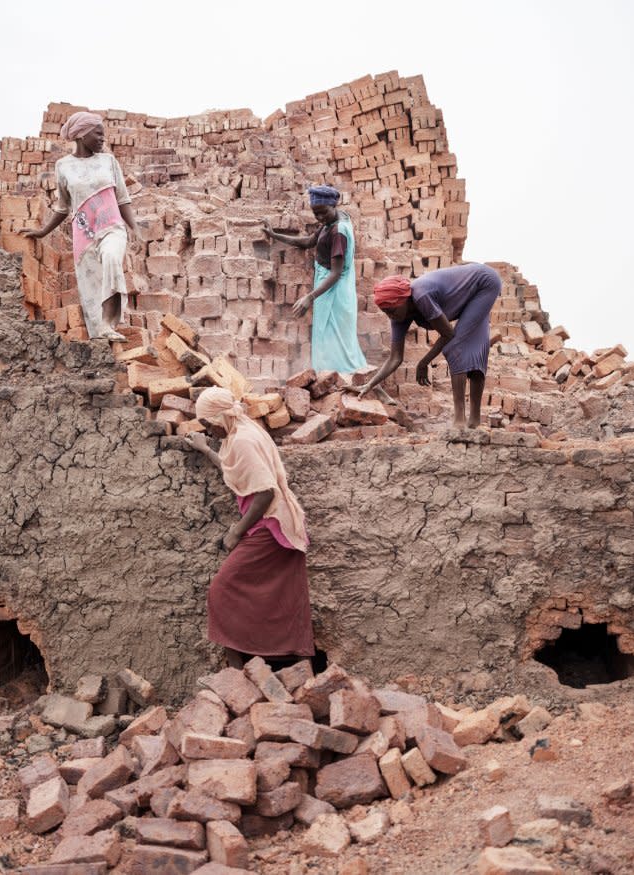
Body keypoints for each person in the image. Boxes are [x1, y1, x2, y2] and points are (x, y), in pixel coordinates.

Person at [184, 387, 315, 669]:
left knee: (222, 590)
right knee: (286, 597)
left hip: (272, 525)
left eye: (207, 424)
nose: (207, 430)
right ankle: (302, 668)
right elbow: (237, 469)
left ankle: (236, 671)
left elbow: (265, 490)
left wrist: (237, 531)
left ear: (221, 417)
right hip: (276, 523)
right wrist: (207, 450)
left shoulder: (242, 439)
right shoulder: (241, 431)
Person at [20, 111, 140, 341]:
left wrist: (135, 228)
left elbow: (123, 199)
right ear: (82, 135)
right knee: (90, 285)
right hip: (84, 234)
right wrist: (43, 231)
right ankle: (101, 342)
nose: (103, 139)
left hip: (112, 227)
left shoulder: (108, 161)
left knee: (112, 259)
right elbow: (63, 206)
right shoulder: (63, 166)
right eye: (98, 134)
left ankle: (109, 322)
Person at [358, 263, 502, 428]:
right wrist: (370, 384)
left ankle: (460, 421)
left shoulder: (421, 295)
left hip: (484, 284)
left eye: (392, 310)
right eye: (386, 312)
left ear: (404, 299)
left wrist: (423, 362)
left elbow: (448, 334)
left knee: (455, 348)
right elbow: (395, 358)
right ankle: (474, 422)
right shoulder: (398, 318)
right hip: (473, 294)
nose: (390, 315)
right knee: (474, 353)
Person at [263, 185, 367, 373]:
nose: (319, 218)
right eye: (315, 213)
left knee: (335, 339)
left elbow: (336, 273)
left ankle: (342, 379)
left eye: (323, 212)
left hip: (335, 291)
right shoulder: (330, 223)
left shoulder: (338, 232)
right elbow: (308, 242)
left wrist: (309, 297)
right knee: (327, 335)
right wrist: (275, 235)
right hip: (326, 287)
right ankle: (330, 379)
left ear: (333, 205)